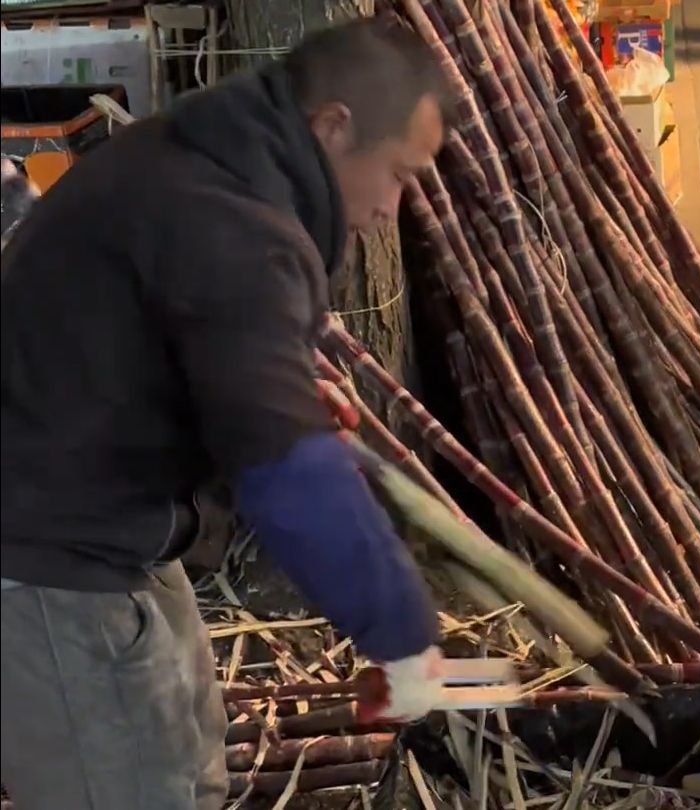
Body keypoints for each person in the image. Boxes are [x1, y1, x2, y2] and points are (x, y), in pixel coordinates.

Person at [1, 18, 449, 809]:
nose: (394, 206)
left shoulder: (203, 156)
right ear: (333, 127)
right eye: (397, 173)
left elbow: (167, 332)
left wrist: (267, 389)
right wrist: (405, 636)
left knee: (184, 771)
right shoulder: (237, 224)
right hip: (47, 554)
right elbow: (293, 479)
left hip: (105, 517)